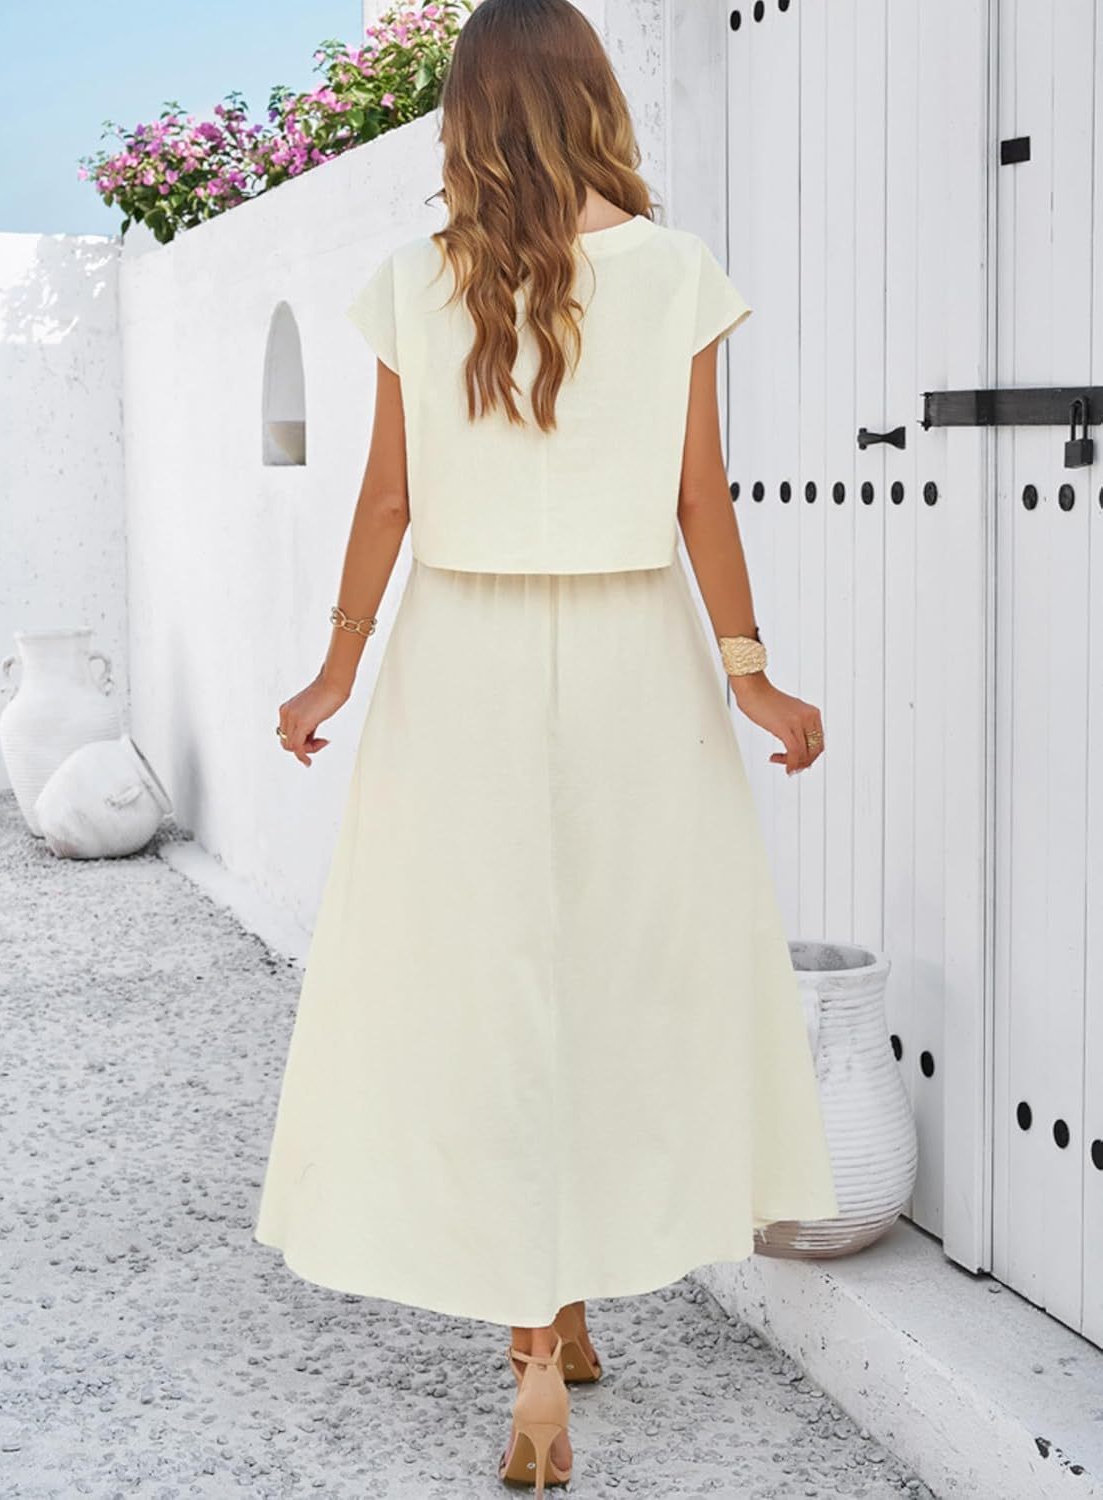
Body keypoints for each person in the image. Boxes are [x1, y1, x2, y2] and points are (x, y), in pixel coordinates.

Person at [253, 0, 839, 1489]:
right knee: (616, 969)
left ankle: (537, 1348)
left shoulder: (416, 280)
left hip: (459, 663)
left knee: (489, 981)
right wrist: (755, 677)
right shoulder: (674, 272)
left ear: (466, 115)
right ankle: (565, 1299)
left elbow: (387, 501)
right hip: (638, 663)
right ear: (591, 100)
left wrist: (332, 672)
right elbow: (701, 498)